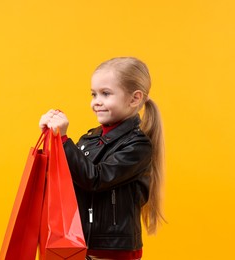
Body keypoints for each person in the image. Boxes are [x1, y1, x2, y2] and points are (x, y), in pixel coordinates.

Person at [39, 57, 165, 260]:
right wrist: (52, 138)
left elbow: (95, 179)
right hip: (80, 242)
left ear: (134, 99)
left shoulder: (137, 146)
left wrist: (63, 139)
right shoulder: (89, 139)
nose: (96, 101)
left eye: (105, 94)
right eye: (93, 94)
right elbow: (66, 179)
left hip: (112, 249)